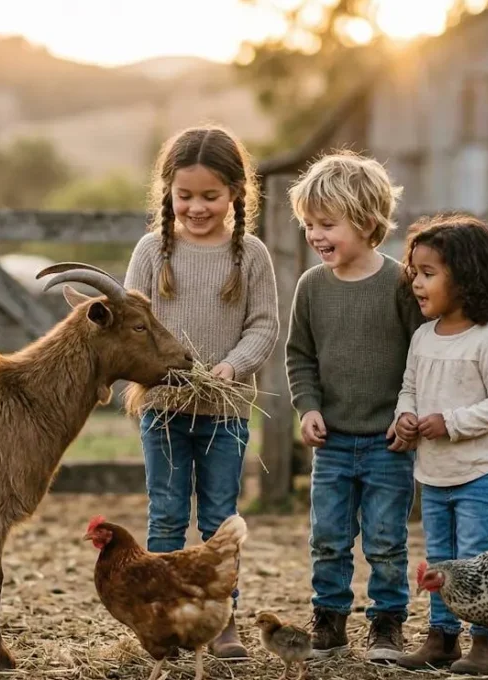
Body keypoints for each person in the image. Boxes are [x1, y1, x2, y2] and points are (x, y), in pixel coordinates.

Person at [122, 125, 280, 660]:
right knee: (166, 513)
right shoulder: (152, 251)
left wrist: (233, 367)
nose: (196, 207)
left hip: (225, 412)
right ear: (168, 191)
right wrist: (153, 372)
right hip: (164, 409)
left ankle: (220, 620)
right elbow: (131, 323)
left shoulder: (250, 254)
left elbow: (263, 325)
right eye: (184, 195)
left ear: (235, 191)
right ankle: (164, 618)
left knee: (218, 518)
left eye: (210, 196)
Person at [284, 149, 425, 663]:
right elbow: (300, 356)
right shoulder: (311, 288)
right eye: (309, 225)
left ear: (366, 223)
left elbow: (421, 356)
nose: (315, 235)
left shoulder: (400, 285)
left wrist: (408, 415)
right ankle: (329, 620)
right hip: (334, 444)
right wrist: (307, 408)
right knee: (327, 537)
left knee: (386, 541)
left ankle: (387, 623)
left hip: (389, 443)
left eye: (327, 224)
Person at [391, 212, 488, 675]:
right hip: (435, 474)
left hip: (481, 473)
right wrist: (405, 417)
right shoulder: (422, 338)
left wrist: (450, 423)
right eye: (414, 272)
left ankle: (487, 644)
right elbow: (409, 388)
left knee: (476, 560)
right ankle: (442, 637)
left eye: (428, 273)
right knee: (441, 561)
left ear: (465, 278)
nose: (417, 283)